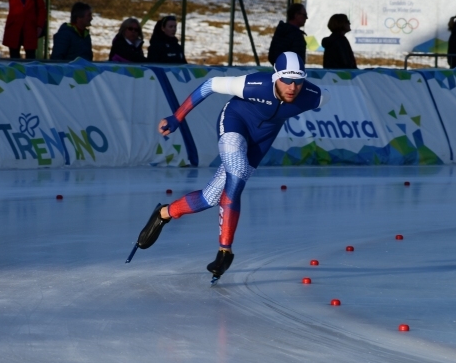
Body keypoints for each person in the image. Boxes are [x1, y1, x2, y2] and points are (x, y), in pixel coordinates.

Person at [133, 52, 328, 282]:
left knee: (210, 197)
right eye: (287, 80)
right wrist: (177, 117)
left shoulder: (314, 96)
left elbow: (322, 95)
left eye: (298, 80)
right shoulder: (254, 85)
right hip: (236, 121)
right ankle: (225, 251)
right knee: (235, 173)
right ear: (276, 76)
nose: (293, 87)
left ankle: (164, 213)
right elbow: (209, 85)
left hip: (262, 139)